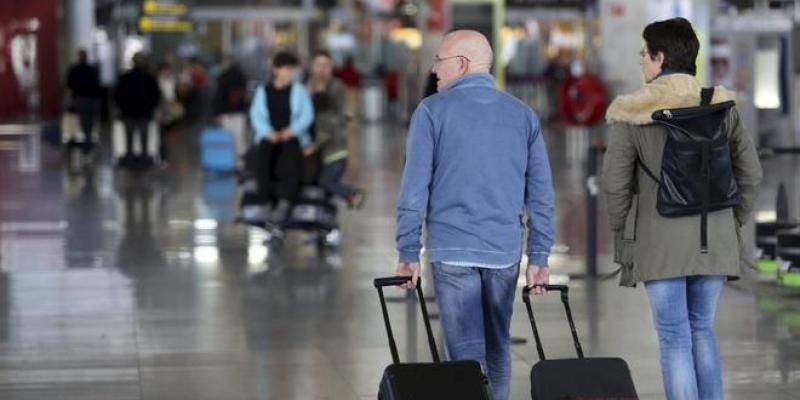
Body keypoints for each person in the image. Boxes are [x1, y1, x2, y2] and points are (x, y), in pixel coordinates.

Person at [602, 18, 762, 400]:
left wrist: (625, 237)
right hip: (714, 235)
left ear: (660, 57)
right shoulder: (719, 104)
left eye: (644, 54)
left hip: (660, 240)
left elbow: (615, 184)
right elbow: (751, 173)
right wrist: (732, 221)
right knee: (702, 329)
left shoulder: (632, 112)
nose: (641, 61)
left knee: (674, 337)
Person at [394, 30, 555, 400]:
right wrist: (539, 255)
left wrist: (407, 252)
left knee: (465, 355)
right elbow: (541, 194)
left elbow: (414, 190)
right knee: (498, 347)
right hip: (503, 252)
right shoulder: (522, 115)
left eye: (439, 60)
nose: (434, 69)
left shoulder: (431, 111)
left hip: (452, 251)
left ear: (462, 64)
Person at [248, 52, 314, 222]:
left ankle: (286, 200)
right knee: (263, 157)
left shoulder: (299, 91)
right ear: (275, 70)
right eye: (285, 69)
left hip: (291, 136)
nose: (289, 73)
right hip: (269, 136)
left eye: (291, 69)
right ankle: (264, 200)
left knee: (291, 159)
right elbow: (256, 115)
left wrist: (292, 130)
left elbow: (307, 115)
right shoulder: (263, 91)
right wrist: (267, 132)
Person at [305, 50, 365, 208]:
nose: (322, 69)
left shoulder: (336, 87)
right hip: (312, 145)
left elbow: (341, 117)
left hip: (331, 147)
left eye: (326, 65)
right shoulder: (305, 87)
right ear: (311, 67)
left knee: (325, 182)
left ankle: (351, 195)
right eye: (318, 65)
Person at [115, 52, 162, 169]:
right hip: (144, 113)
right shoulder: (149, 78)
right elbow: (156, 96)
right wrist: (151, 107)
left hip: (128, 113)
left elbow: (118, 95)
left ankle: (129, 160)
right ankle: (143, 161)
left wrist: (122, 107)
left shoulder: (125, 77)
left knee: (129, 139)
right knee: (144, 138)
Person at [65, 49, 101, 155]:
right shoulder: (86, 70)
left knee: (86, 120)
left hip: (86, 98)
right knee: (87, 120)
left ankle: (87, 140)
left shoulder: (79, 70)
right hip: (85, 98)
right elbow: (70, 87)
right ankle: (88, 140)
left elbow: (70, 87)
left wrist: (69, 99)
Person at [213, 56, 249, 163]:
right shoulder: (242, 77)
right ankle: (240, 162)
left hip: (225, 112)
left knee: (227, 137)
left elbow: (218, 97)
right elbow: (244, 96)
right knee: (239, 137)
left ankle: (228, 160)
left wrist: (216, 113)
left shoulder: (222, 77)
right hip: (239, 112)